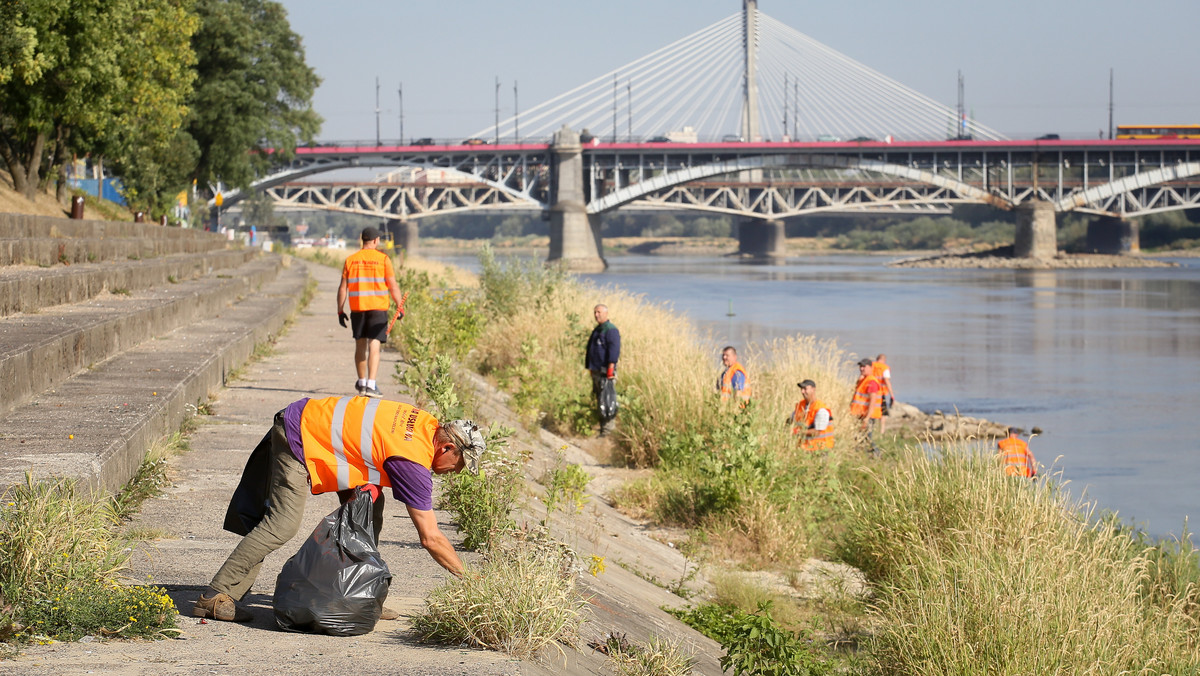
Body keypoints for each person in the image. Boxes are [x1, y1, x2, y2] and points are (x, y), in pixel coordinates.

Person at [192, 396, 484, 623]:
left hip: (321, 431)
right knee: (282, 524)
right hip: (299, 434)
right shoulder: (413, 460)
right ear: (446, 449)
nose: (455, 472)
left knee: (368, 508)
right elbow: (430, 537)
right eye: (459, 465)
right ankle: (216, 594)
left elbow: (372, 442)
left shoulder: (425, 424)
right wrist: (471, 581)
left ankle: (355, 595)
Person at [337, 226, 405, 398]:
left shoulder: (351, 260)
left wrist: (340, 310)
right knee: (374, 345)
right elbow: (393, 285)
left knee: (360, 345)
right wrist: (399, 306)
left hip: (358, 308)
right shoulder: (383, 259)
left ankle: (361, 383)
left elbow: (343, 288)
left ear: (363, 240)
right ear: (376, 241)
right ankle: (371, 385)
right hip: (378, 309)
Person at [584, 303, 621, 436]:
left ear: (606, 313)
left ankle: (608, 432)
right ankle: (601, 429)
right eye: (595, 312)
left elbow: (614, 351)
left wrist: (611, 369)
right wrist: (591, 369)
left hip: (607, 372)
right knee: (599, 399)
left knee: (608, 400)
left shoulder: (610, 330)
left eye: (599, 312)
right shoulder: (598, 330)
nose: (596, 315)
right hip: (596, 371)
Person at [789, 379, 834, 451]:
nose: (802, 391)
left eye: (805, 389)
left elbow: (817, 432)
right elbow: (790, 419)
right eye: (801, 389)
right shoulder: (801, 405)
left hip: (819, 450)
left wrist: (797, 432)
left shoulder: (821, 409)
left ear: (813, 389)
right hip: (804, 448)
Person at [850, 358, 883, 454]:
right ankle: (865, 456)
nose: (861, 369)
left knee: (867, 437)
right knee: (862, 437)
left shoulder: (871, 382)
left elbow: (873, 401)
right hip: (861, 414)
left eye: (864, 366)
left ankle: (877, 455)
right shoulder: (864, 379)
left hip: (867, 416)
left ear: (870, 367)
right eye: (860, 366)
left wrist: (867, 418)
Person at [872, 354, 895, 432]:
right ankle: (881, 431)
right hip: (880, 393)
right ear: (884, 360)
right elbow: (887, 381)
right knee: (883, 413)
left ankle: (872, 429)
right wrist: (892, 395)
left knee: (872, 410)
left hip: (870, 391)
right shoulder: (885, 368)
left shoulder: (871, 365)